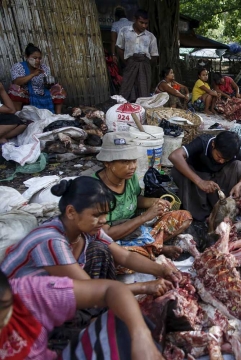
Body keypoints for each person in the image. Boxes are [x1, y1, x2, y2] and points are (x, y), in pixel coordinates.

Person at [0, 176, 181, 295]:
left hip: (51, 291)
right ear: (71, 212)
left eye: (105, 215)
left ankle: (99, 306)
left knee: (100, 249)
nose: (103, 221)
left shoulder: (86, 231)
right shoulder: (51, 241)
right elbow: (88, 289)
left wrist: (162, 270)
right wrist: (143, 287)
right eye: (96, 215)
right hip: (16, 307)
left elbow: (125, 256)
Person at [0, 271, 163, 360]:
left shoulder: (23, 294)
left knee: (124, 324)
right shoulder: (51, 242)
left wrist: (141, 336)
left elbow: (109, 290)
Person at [94, 132, 190, 262]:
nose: (133, 166)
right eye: (125, 162)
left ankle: (149, 248)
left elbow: (135, 199)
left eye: (134, 161)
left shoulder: (129, 176)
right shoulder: (95, 190)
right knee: (115, 258)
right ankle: (157, 248)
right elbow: (105, 235)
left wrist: (155, 202)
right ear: (107, 163)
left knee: (184, 217)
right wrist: (144, 217)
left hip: (135, 230)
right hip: (113, 239)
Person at [169, 132, 241, 221]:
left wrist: (239, 185)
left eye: (226, 159)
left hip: (217, 179)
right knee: (178, 169)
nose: (221, 161)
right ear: (213, 144)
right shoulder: (203, 142)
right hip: (197, 178)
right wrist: (200, 181)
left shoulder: (234, 151)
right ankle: (200, 211)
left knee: (238, 166)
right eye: (219, 156)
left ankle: (222, 207)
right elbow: (174, 156)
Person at [9, 43, 66, 114]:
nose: (38, 61)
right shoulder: (18, 67)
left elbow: (48, 82)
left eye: (39, 58)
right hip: (28, 94)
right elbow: (16, 82)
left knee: (58, 88)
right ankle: (18, 115)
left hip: (43, 93)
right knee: (15, 88)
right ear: (27, 57)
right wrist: (33, 74)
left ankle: (58, 115)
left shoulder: (44, 68)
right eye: (35, 58)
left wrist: (49, 84)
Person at [116, 9, 158, 102]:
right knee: (126, 88)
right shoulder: (124, 31)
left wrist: (146, 65)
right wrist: (126, 62)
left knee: (143, 90)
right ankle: (125, 110)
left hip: (144, 64)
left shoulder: (150, 36)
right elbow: (119, 48)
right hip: (129, 63)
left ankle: (141, 111)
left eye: (146, 23)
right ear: (134, 19)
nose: (144, 26)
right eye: (141, 22)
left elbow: (154, 55)